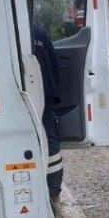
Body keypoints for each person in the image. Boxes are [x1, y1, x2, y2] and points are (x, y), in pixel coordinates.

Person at [32, 24, 63, 203]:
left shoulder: (4, 28)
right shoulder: (39, 31)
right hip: (46, 94)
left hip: (17, 96)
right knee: (50, 143)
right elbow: (54, 64)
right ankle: (53, 191)